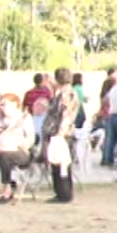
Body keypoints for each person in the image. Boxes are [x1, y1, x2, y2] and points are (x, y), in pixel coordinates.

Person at [41, 68, 80, 203]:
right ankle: (61, 192)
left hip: (61, 134)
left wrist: (60, 133)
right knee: (57, 163)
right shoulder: (64, 93)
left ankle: (64, 193)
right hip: (59, 133)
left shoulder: (66, 95)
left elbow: (65, 115)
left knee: (61, 164)